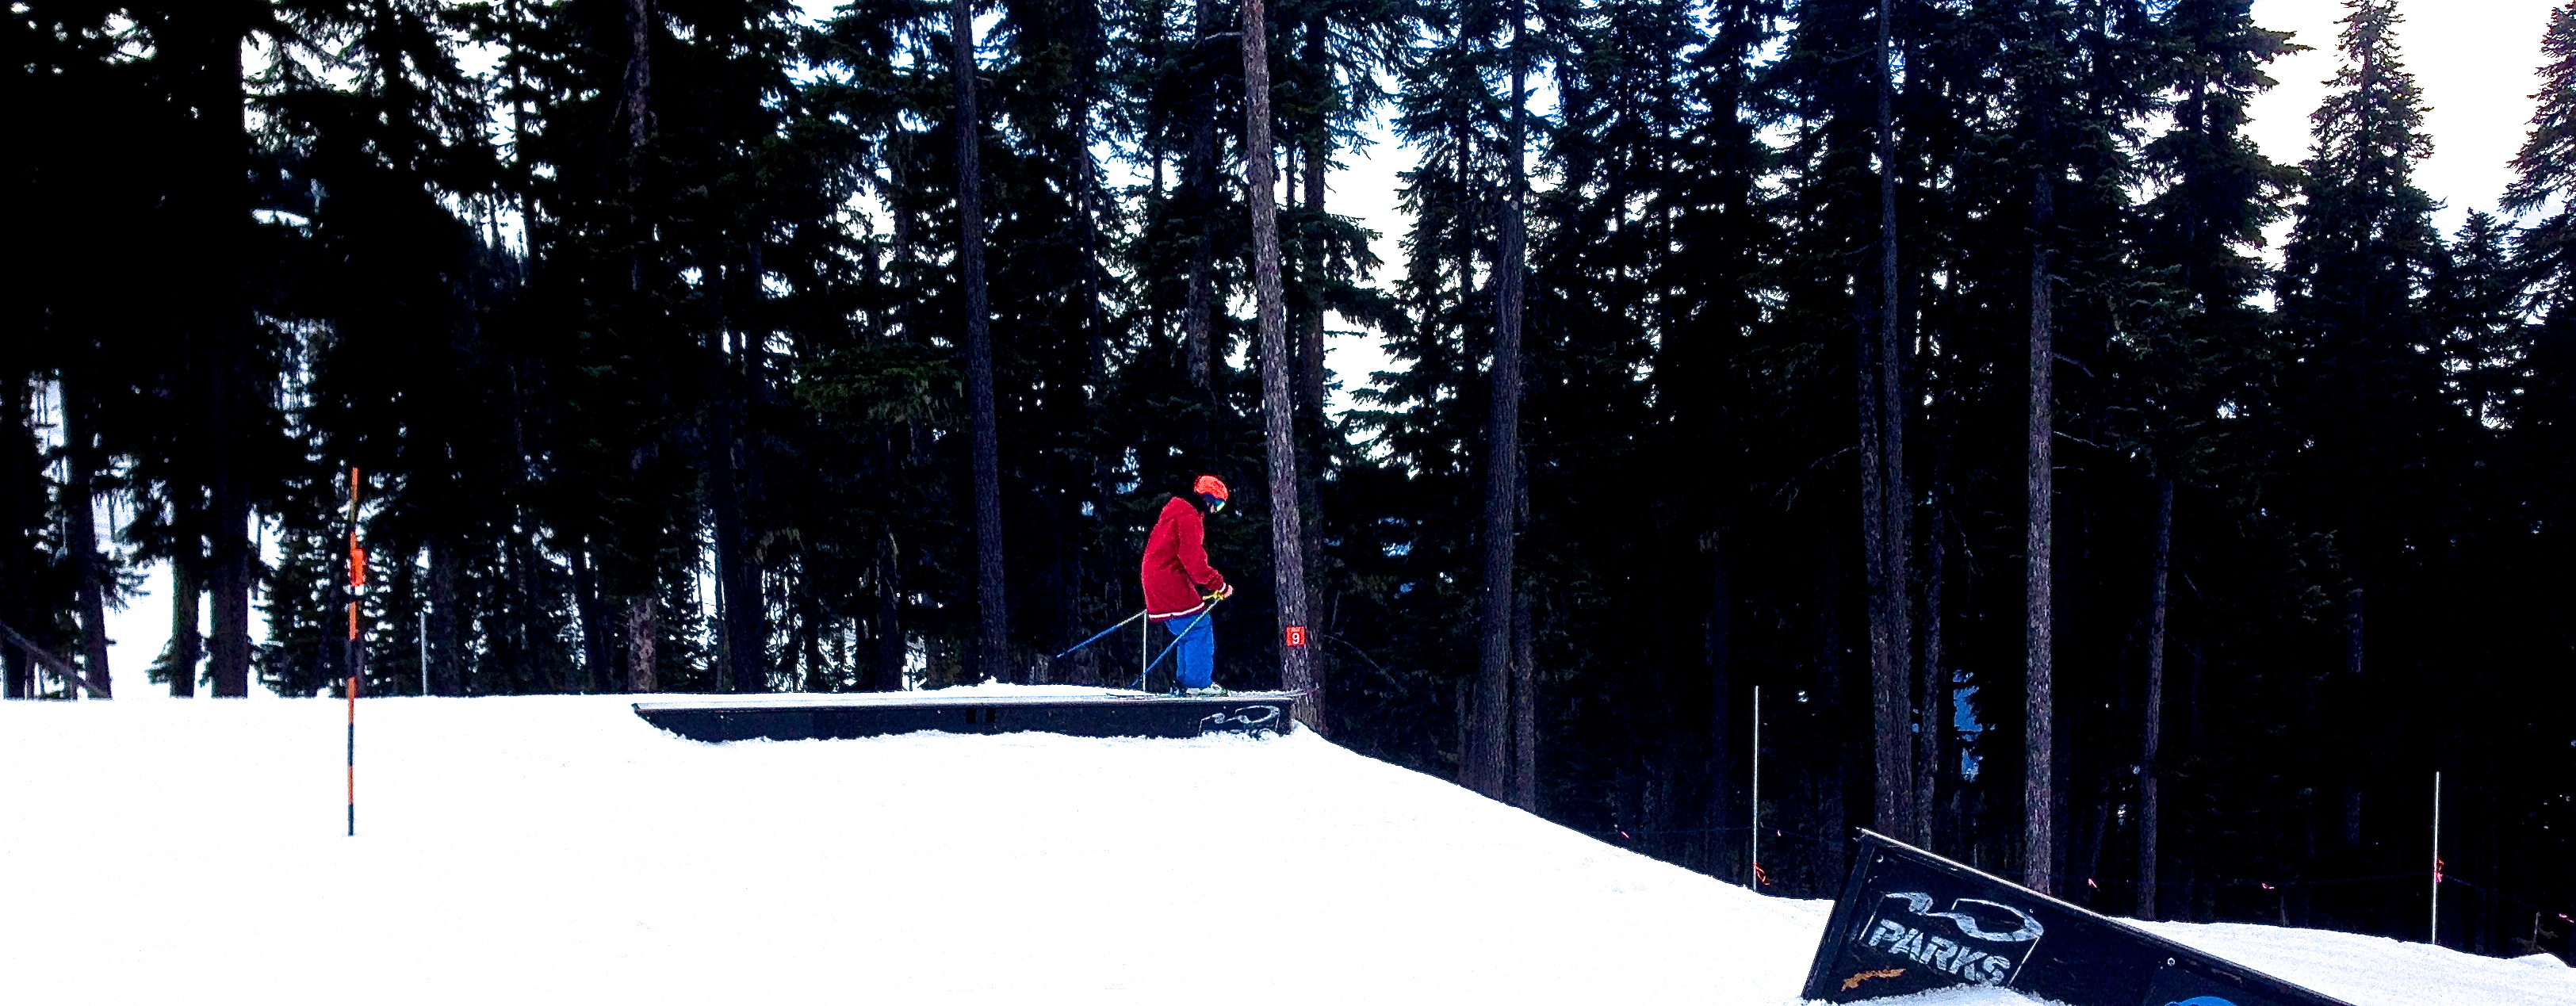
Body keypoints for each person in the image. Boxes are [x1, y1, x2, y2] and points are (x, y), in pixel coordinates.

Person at [1141, 475, 1233, 694]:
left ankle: (1187, 683)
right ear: (1207, 498)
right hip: (1167, 579)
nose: (1215, 511)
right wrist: (1218, 585)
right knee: (1199, 627)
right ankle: (1197, 684)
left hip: (1158, 577)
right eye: (1217, 505)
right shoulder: (1189, 516)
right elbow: (1193, 560)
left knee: (1189, 629)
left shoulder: (1178, 510)